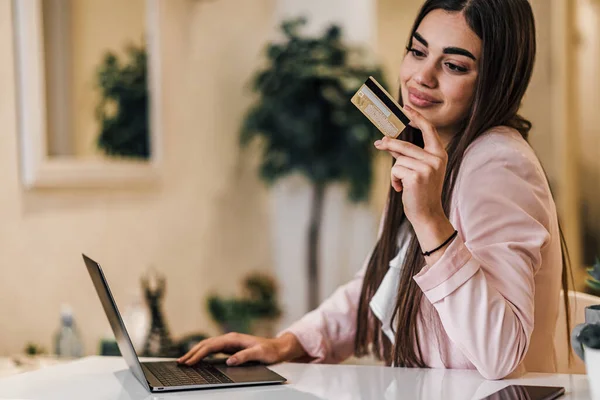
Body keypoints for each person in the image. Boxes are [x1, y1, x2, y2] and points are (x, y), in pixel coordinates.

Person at [178, 0, 573, 380]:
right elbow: (381, 284)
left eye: (453, 65)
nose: (422, 77)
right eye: (417, 52)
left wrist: (430, 219)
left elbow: (500, 355)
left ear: (497, 79)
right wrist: (288, 342)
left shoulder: (499, 163)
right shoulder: (431, 152)